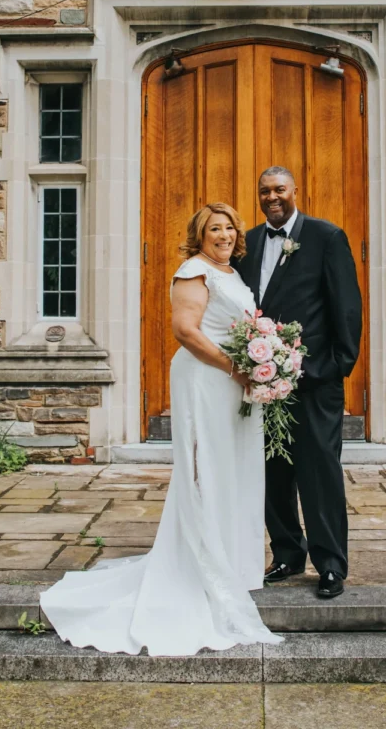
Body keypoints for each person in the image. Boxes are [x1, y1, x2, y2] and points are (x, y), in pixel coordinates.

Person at [38, 202, 282, 655]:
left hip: (234, 383)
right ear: (200, 234)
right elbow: (186, 330)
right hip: (209, 380)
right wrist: (236, 367)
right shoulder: (193, 271)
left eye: (229, 228)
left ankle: (231, 561)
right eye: (215, 229)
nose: (224, 235)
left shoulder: (230, 273)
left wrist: (260, 360)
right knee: (204, 468)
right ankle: (198, 564)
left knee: (233, 469)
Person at [235, 167, 362, 600]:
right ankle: (287, 553)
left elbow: (346, 306)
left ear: (294, 192)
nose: (272, 197)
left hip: (315, 381)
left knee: (319, 470)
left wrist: (337, 366)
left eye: (279, 190)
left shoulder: (326, 237)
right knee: (271, 471)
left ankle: (330, 565)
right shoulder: (247, 243)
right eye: (264, 191)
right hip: (262, 382)